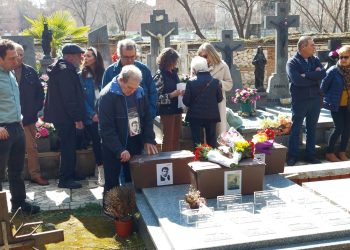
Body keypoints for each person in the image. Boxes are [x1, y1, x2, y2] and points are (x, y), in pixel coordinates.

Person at [99, 65, 158, 200]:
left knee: (134, 178)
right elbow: (106, 128)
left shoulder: (139, 91)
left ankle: (133, 209)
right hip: (113, 145)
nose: (133, 91)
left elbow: (146, 117)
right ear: (121, 80)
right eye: (130, 87)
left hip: (134, 141)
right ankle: (110, 211)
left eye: (135, 87)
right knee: (112, 182)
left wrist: (148, 139)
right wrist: (119, 149)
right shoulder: (107, 95)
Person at [0, 39, 40, 214]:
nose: (16, 62)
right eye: (11, 59)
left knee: (16, 170)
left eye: (16, 57)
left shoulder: (9, 74)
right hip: (2, 130)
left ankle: (19, 204)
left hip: (17, 127)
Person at [44, 43, 85, 189]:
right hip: (66, 116)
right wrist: (77, 118)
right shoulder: (66, 70)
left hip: (62, 115)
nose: (81, 58)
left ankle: (70, 174)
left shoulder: (63, 68)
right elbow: (69, 98)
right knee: (68, 147)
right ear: (71, 56)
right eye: (79, 55)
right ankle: (65, 179)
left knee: (70, 146)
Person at [286, 36, 326, 166]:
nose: (315, 47)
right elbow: (297, 81)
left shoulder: (315, 60)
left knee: (312, 128)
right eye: (312, 45)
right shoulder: (292, 62)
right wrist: (314, 76)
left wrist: (307, 75)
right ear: (303, 47)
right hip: (300, 100)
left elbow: (323, 74)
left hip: (314, 99)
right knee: (296, 128)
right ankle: (293, 156)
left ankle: (310, 155)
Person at [13, 43, 48, 186]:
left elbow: (40, 93)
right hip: (8, 119)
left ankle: (35, 175)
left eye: (21, 54)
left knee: (31, 148)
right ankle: (11, 178)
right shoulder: (4, 72)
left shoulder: (30, 71)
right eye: (17, 54)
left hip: (28, 118)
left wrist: (34, 110)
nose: (19, 57)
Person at [102, 38, 157, 119]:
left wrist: (150, 114)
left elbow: (153, 93)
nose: (130, 60)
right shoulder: (109, 72)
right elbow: (104, 98)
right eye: (126, 57)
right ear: (119, 55)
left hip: (142, 118)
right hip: (118, 119)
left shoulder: (144, 70)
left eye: (132, 57)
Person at [183, 56, 223, 148]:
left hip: (195, 117)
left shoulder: (191, 82)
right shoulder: (215, 81)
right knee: (211, 142)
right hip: (211, 115)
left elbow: (186, 102)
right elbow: (220, 99)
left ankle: (200, 160)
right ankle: (213, 160)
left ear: (194, 68)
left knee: (198, 143)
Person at [79, 47, 104, 186]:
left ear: (95, 58)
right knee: (96, 141)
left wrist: (102, 113)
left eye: (89, 56)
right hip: (91, 117)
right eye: (85, 56)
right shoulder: (81, 76)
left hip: (104, 114)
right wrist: (92, 114)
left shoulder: (104, 74)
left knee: (105, 141)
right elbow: (81, 99)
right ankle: (101, 169)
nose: (85, 58)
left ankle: (102, 165)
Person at [321, 45, 350, 162]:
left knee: (347, 129)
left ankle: (342, 152)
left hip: (348, 105)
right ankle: (329, 152)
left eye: (346, 57)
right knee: (339, 128)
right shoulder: (333, 71)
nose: (343, 59)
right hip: (336, 105)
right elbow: (323, 88)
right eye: (341, 57)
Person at [197, 43, 233, 137]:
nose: (203, 59)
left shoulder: (223, 66)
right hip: (202, 103)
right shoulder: (198, 66)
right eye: (201, 56)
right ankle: (203, 150)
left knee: (218, 130)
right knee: (204, 132)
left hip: (217, 102)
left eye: (205, 56)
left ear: (211, 53)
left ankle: (219, 149)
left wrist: (219, 83)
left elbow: (229, 84)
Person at [153, 48, 183, 151]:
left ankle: (176, 163)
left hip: (177, 110)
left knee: (176, 139)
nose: (175, 63)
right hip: (167, 112)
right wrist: (171, 95)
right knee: (168, 139)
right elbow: (155, 98)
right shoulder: (159, 75)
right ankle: (166, 162)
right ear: (168, 61)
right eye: (174, 61)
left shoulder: (174, 73)